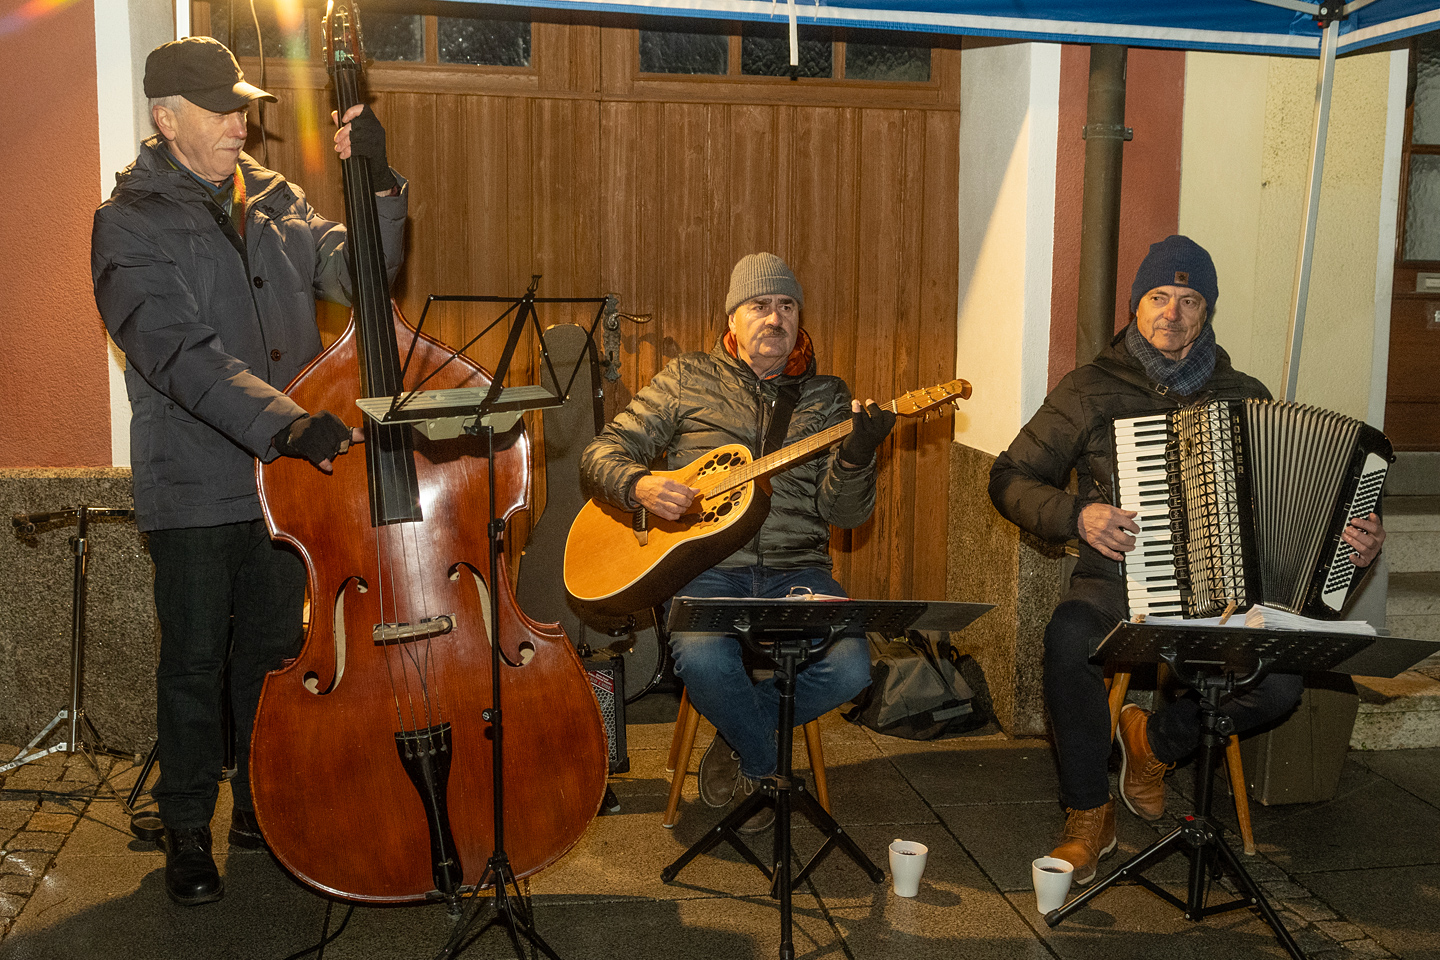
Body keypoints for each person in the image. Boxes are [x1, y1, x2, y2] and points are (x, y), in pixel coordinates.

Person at [91, 36, 408, 906]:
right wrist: (290, 424)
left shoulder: (277, 200)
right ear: (168, 120)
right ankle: (187, 826)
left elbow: (367, 277)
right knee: (194, 661)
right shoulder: (126, 224)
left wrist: (377, 184)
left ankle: (259, 810)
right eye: (223, 110)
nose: (243, 123)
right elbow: (179, 356)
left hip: (281, 482)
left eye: (243, 107)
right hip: (196, 481)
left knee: (271, 656)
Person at [988, 235, 1385, 884]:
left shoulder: (1244, 394)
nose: (1172, 313)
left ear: (1207, 312)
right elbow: (1009, 478)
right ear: (1137, 306)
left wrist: (1357, 544)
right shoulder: (1089, 389)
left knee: (1281, 685)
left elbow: (1300, 515)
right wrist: (1077, 516)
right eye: (1159, 297)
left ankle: (1154, 744)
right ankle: (1088, 813)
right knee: (1067, 638)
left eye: (1189, 300)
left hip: (1225, 597)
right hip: (1118, 582)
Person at [580, 253, 893, 832]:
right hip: (705, 567)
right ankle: (768, 764)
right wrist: (641, 484)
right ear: (733, 318)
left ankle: (738, 735)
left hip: (798, 567)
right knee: (701, 656)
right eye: (760, 305)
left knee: (852, 667)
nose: (775, 318)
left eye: (787, 306)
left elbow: (843, 513)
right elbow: (602, 453)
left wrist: (858, 454)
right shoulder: (686, 379)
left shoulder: (827, 397)